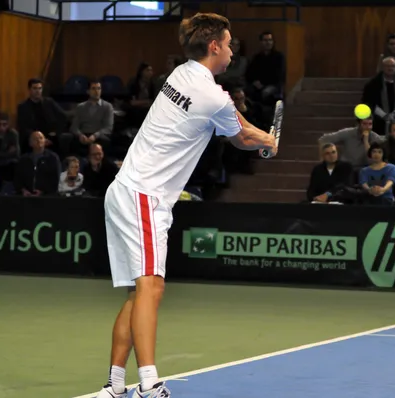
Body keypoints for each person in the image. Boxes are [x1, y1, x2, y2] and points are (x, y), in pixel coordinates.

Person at [96, 13, 277, 398]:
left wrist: (263, 136)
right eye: (229, 44)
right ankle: (149, 384)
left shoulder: (181, 75)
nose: (231, 51)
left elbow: (235, 119)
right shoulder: (212, 94)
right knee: (151, 289)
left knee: (138, 293)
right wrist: (268, 141)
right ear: (215, 46)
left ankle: (114, 385)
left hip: (127, 190)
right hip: (145, 194)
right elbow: (241, 134)